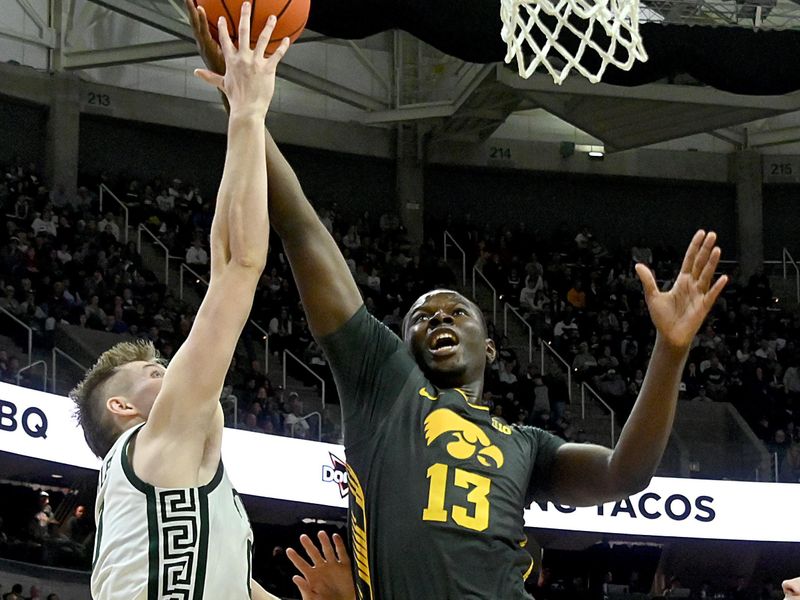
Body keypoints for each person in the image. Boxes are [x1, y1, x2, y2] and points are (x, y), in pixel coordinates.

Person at [187, 7, 727, 600]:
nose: (438, 318)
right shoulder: (383, 385)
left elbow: (627, 472)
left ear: (491, 347)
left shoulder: (528, 445)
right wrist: (244, 107)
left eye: (456, 312)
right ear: (404, 343)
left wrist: (671, 351)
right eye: (421, 316)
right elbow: (302, 228)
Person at [71, 6, 289, 598]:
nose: (175, 374)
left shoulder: (187, 502)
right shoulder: (153, 444)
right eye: (156, 373)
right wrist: (246, 112)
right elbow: (237, 266)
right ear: (122, 406)